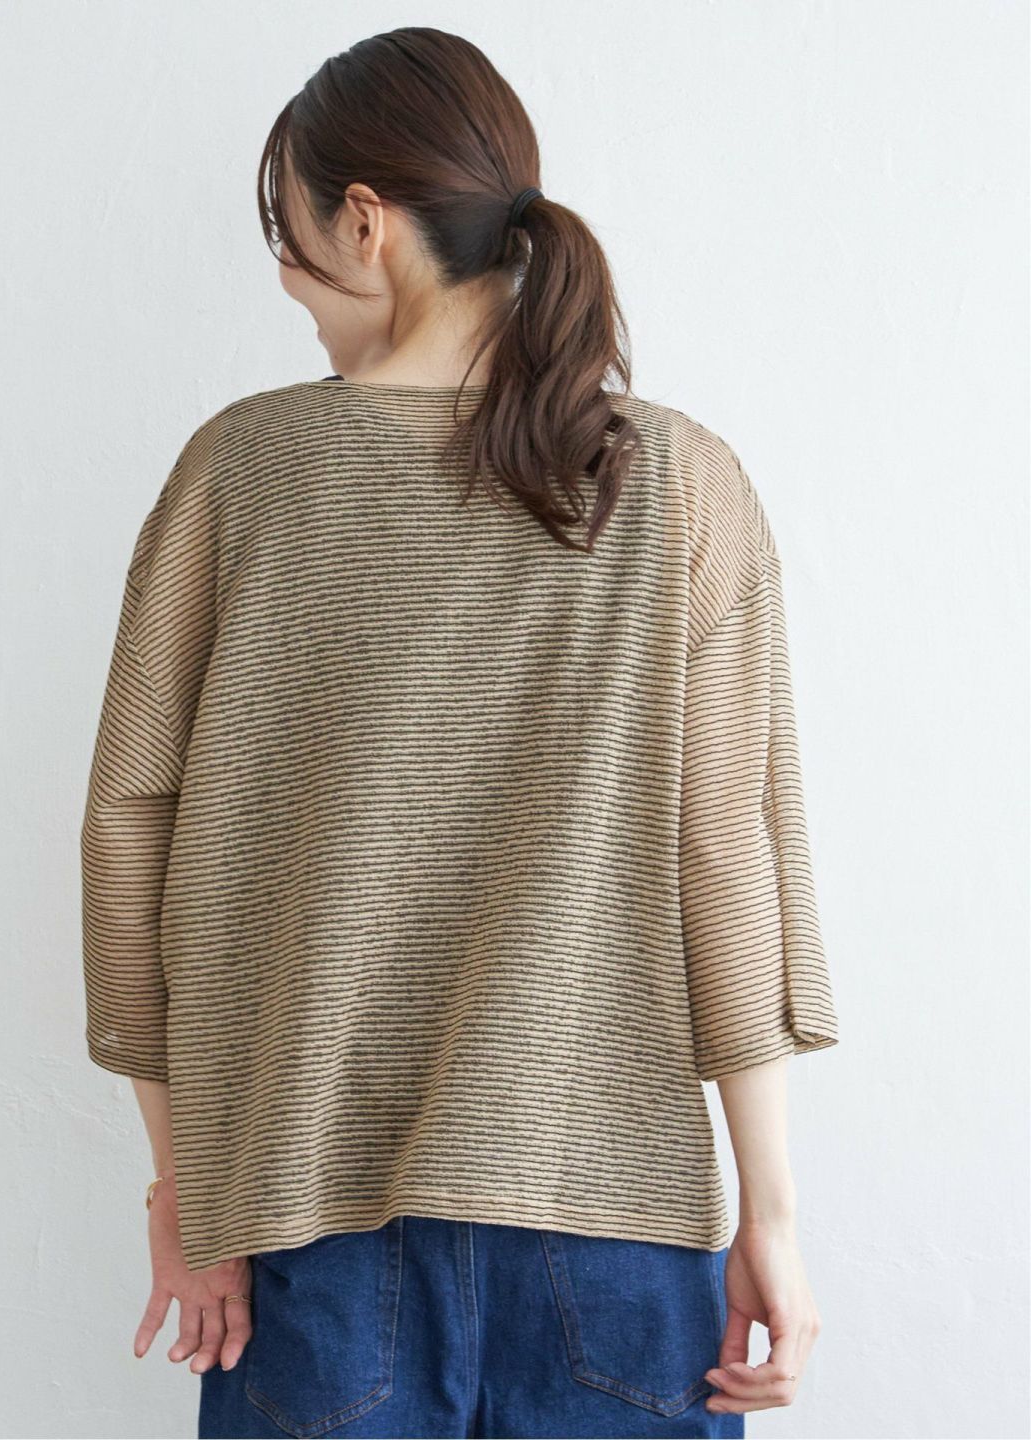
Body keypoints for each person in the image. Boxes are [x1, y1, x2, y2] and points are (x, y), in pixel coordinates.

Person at [79, 25, 839, 1440]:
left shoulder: (241, 473)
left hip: (304, 1224)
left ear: (364, 225)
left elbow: (131, 830)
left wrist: (187, 1190)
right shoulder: (682, 482)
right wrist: (773, 1217)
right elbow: (727, 855)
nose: (291, 286)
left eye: (290, 243)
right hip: (618, 1228)